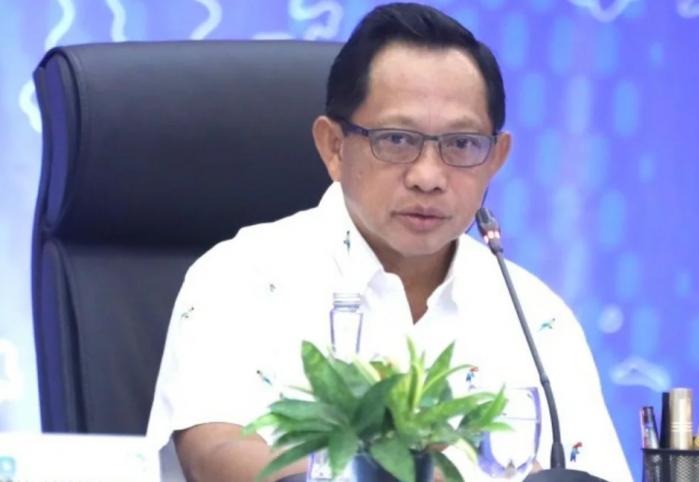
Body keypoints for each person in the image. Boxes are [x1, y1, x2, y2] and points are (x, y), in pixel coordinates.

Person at [146, 3, 633, 482]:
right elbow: (215, 457)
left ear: (495, 159)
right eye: (398, 140)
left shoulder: (535, 316)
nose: (428, 177)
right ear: (334, 147)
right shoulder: (241, 276)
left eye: (461, 144)